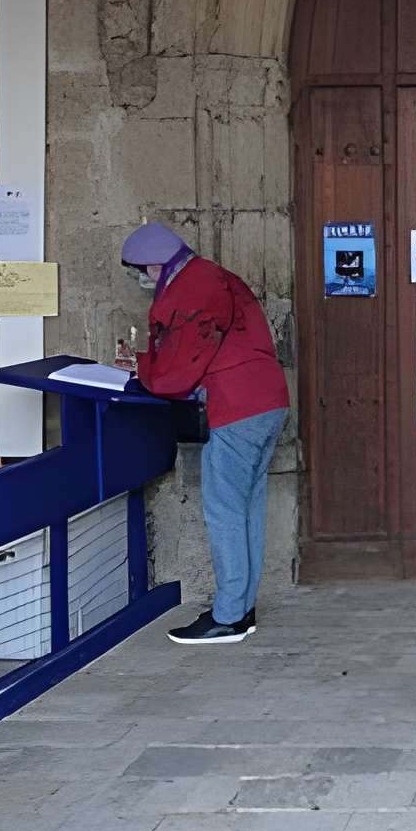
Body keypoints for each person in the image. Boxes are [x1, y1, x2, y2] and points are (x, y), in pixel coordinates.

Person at [117, 222, 289, 647]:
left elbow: (181, 363)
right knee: (247, 509)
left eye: (143, 271)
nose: (142, 280)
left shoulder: (192, 288)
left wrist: (142, 370)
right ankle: (241, 608)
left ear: (159, 264)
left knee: (224, 511)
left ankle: (228, 617)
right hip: (268, 401)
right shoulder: (219, 276)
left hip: (236, 407)